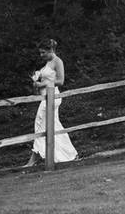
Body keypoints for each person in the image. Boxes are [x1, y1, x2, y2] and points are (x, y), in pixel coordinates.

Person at [24, 38, 78, 166]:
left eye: (43, 52)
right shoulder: (47, 64)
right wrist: (36, 82)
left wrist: (42, 84)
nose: (41, 55)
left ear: (51, 50)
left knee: (39, 125)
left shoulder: (57, 61)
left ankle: (33, 161)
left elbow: (60, 81)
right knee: (54, 126)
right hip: (45, 96)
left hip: (52, 97)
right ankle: (70, 153)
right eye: (40, 53)